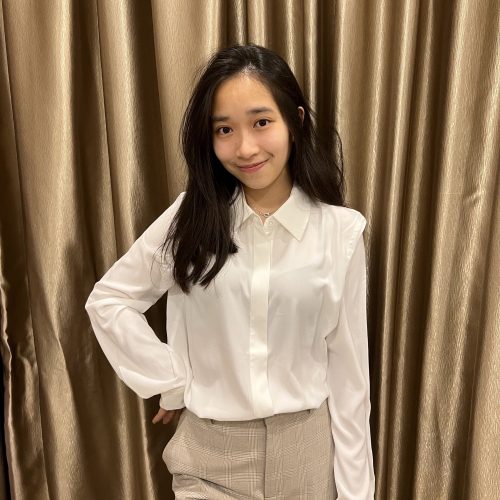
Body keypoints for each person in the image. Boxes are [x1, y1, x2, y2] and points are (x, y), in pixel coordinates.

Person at [85, 44, 375, 499]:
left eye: (261, 122)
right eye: (225, 129)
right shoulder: (190, 218)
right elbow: (110, 299)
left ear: (295, 121)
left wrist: (357, 494)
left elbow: (349, 376)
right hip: (210, 458)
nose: (245, 148)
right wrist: (171, 380)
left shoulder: (340, 232)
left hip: (307, 458)